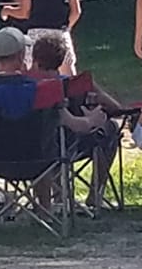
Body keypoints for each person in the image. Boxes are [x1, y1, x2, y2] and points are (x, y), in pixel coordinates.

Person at [30, 32, 123, 211]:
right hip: (73, 144)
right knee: (111, 129)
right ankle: (95, 194)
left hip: (33, 147)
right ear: (63, 59)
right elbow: (115, 108)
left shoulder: (26, 86)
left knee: (51, 139)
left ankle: (54, 198)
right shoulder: (76, 84)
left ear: (34, 58)